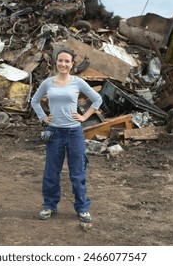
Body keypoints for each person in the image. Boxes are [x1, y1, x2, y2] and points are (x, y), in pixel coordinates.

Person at [31, 47, 102, 223]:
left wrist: (84, 116)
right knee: (51, 172)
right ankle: (49, 206)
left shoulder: (77, 82)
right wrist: (43, 118)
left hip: (74, 133)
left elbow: (97, 99)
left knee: (78, 173)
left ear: (72, 64)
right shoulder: (48, 83)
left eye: (67, 61)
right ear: (56, 62)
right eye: (60, 60)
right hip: (54, 132)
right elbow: (34, 100)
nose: (63, 64)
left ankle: (82, 208)